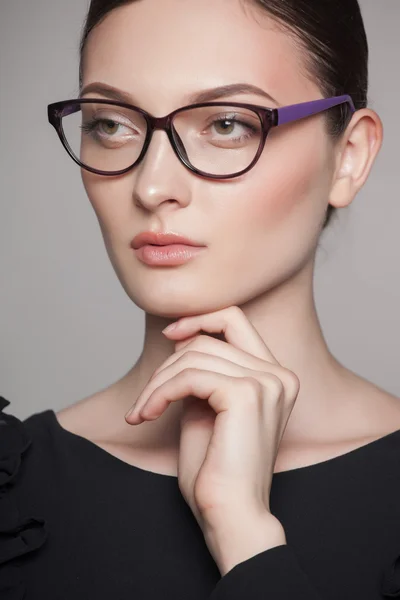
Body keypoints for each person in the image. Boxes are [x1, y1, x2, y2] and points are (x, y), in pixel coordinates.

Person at [1, 0, 399, 597]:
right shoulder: (13, 489)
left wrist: (244, 535)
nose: (153, 185)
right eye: (111, 123)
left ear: (349, 156)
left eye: (226, 124)